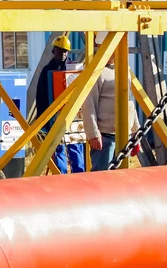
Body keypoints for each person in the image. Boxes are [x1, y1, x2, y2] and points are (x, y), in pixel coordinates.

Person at [82, 32, 141, 171]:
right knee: (102, 177)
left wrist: (135, 130)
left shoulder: (123, 69)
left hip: (123, 136)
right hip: (105, 138)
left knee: (120, 178)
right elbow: (88, 105)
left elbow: (130, 101)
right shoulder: (97, 72)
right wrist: (93, 134)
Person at [35, 36, 85, 174]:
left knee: (75, 146)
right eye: (60, 51)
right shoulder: (46, 71)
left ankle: (79, 177)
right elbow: (41, 97)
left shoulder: (73, 69)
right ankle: (60, 177)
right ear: (53, 51)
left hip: (73, 116)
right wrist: (44, 121)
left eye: (65, 51)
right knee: (57, 149)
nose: (63, 54)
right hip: (54, 117)